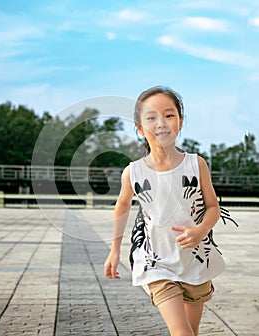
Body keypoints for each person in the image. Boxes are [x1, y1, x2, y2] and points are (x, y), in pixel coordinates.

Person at [104, 86, 231, 336]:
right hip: (156, 264)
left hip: (195, 262)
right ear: (140, 128)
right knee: (181, 332)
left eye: (169, 115)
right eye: (151, 117)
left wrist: (201, 229)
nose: (161, 123)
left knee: (191, 331)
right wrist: (114, 249)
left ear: (180, 122)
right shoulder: (134, 172)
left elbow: (213, 207)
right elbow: (122, 206)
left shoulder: (197, 164)